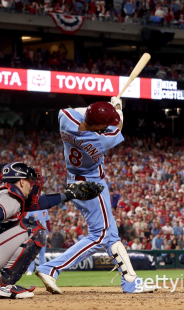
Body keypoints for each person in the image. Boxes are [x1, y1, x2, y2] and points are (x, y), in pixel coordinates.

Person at [35, 101, 157, 294]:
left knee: (111, 234)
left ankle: (131, 281)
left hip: (74, 181)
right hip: (92, 187)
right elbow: (118, 126)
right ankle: (51, 267)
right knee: (100, 236)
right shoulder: (101, 140)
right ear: (99, 126)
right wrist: (117, 108)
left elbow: (71, 111)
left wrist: (102, 108)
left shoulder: (65, 120)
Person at [0, 162, 97, 299]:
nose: (31, 186)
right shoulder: (11, 196)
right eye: (29, 181)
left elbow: (41, 202)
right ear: (21, 182)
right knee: (35, 229)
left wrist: (69, 195)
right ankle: (3, 286)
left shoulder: (1, 195)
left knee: (16, 228)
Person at [26, 209, 51, 275]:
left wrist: (50, 231)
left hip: (43, 233)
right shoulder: (31, 210)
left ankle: (41, 270)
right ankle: (30, 269)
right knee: (32, 252)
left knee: (42, 253)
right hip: (34, 233)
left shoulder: (45, 209)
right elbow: (27, 221)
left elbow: (47, 221)